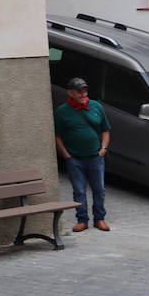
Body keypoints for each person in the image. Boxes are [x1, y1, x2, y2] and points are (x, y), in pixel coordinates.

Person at [53, 77, 111, 233]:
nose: (83, 93)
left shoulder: (96, 106)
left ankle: (99, 219)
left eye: (85, 90)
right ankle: (82, 220)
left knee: (99, 189)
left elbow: (105, 130)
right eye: (79, 91)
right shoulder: (62, 111)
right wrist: (66, 155)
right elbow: (57, 135)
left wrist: (103, 149)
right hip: (75, 158)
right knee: (79, 191)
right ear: (70, 93)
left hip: (95, 157)